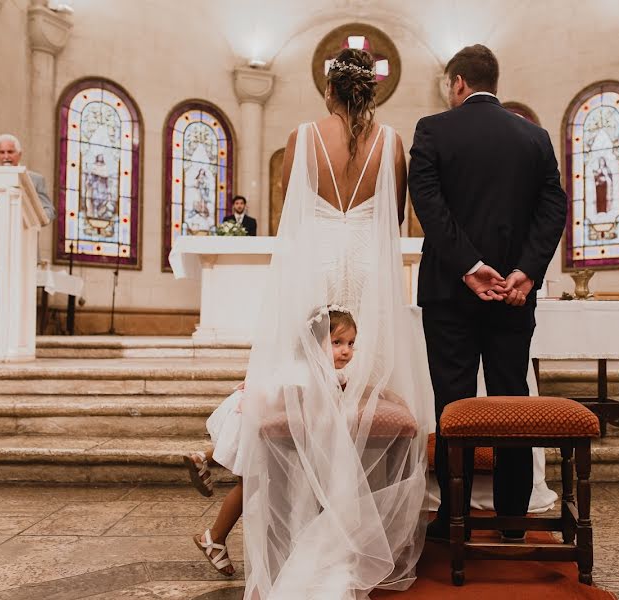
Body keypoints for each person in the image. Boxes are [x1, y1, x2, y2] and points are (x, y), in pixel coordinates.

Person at [205, 48, 432, 599]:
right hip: (369, 272)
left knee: (309, 388)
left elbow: (293, 214)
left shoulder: (304, 136)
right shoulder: (393, 142)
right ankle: (358, 526)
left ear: (328, 90)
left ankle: (305, 520)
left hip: (317, 264)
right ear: (371, 93)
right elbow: (395, 215)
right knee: (362, 382)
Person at [409, 44, 567, 544]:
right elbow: (553, 209)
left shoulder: (432, 130)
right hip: (514, 296)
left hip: (449, 294)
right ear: (492, 83)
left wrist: (469, 267)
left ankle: (453, 515)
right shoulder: (534, 136)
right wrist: (525, 271)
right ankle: (513, 519)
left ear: (457, 83)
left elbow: (429, 207)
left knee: (451, 402)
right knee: (511, 398)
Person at [188, 306, 358, 577]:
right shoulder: (303, 375)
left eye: (351, 344)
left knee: (248, 485)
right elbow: (284, 411)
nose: (346, 351)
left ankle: (205, 467)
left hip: (255, 418)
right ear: (313, 344)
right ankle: (214, 537)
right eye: (337, 343)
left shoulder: (320, 371)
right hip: (251, 419)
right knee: (248, 485)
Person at [0, 134, 56, 223]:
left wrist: (35, 220)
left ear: (19, 154)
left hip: (25, 232)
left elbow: (49, 210)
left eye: (10, 152)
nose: (6, 156)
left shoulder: (35, 179)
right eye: (2, 152)